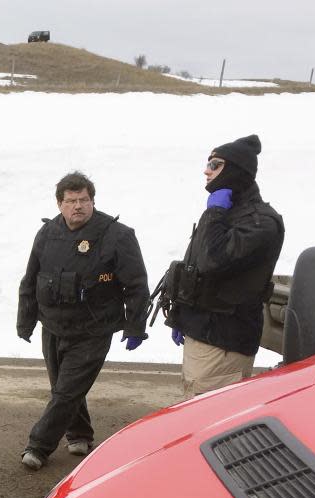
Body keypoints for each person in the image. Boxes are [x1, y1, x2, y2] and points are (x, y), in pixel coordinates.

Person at [17, 171, 149, 471]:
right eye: (71, 201)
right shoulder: (48, 233)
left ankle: (39, 446)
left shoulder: (117, 235)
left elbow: (137, 285)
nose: (78, 206)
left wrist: (135, 326)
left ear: (92, 200)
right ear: (59, 204)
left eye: (84, 200)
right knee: (63, 388)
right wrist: (25, 321)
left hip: (94, 328)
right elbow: (30, 280)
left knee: (66, 392)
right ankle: (79, 434)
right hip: (53, 325)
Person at [166, 134, 284, 398]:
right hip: (202, 332)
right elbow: (194, 269)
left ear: (236, 170)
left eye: (215, 164)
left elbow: (212, 261)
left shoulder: (260, 222)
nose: (206, 171)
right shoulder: (228, 213)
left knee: (207, 420)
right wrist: (183, 315)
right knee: (193, 406)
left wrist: (215, 213)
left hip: (224, 340)